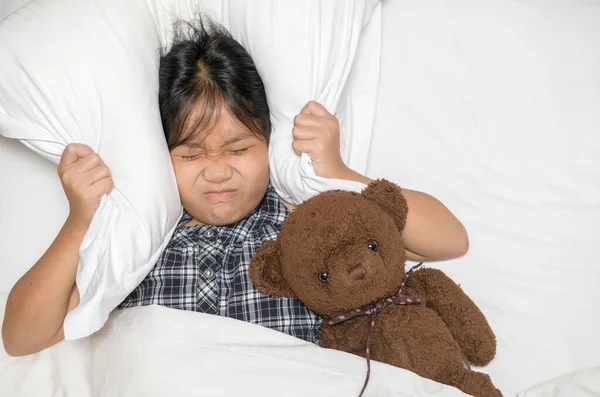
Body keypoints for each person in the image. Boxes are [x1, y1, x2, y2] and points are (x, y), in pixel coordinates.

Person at [2, 19, 468, 357]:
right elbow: (22, 337)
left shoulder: (305, 221)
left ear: (268, 141)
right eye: (191, 155)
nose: (218, 171)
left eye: (239, 149)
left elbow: (450, 240)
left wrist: (335, 172)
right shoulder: (138, 241)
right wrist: (81, 219)